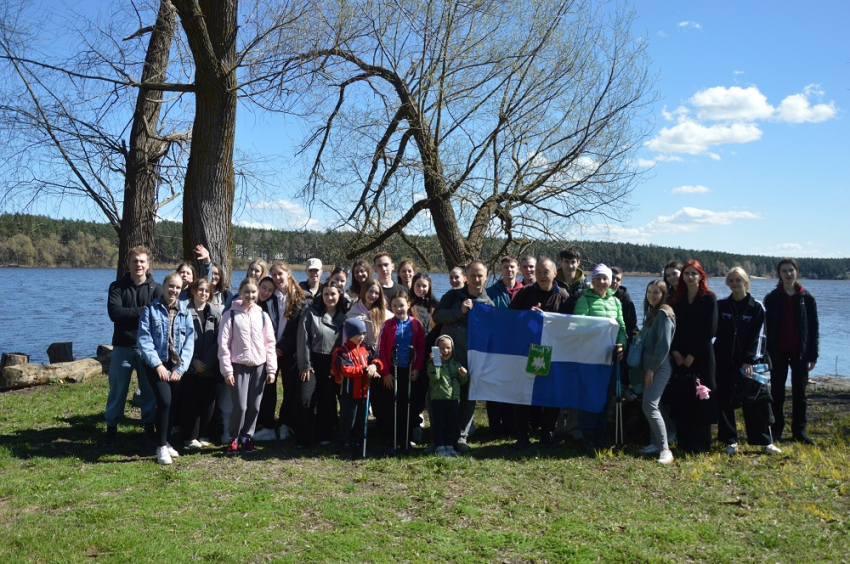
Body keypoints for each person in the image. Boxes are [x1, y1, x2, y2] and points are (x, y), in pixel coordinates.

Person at [715, 267, 780, 455]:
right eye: (731, 281)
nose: (735, 284)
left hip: (751, 362)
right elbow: (713, 332)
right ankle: (730, 440)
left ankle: (765, 441)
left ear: (746, 282)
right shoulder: (722, 306)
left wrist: (749, 360)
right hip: (724, 360)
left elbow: (760, 337)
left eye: (738, 280)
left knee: (757, 400)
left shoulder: (756, 306)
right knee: (725, 399)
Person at [509, 257, 571, 449]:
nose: (542, 276)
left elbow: (571, 325)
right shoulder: (525, 293)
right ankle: (522, 433)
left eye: (546, 272)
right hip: (528, 351)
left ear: (554, 273)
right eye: (539, 272)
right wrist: (528, 314)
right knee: (524, 393)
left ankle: (547, 433)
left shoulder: (563, 295)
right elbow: (509, 319)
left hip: (553, 353)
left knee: (552, 394)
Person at [433, 260, 494, 451]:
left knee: (469, 399)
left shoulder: (489, 303)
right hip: (449, 358)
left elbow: (494, 332)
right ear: (466, 277)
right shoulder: (452, 296)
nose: (476, 279)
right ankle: (439, 437)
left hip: (473, 360)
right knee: (443, 399)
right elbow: (437, 317)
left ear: (486, 277)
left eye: (480, 275)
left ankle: (461, 437)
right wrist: (459, 311)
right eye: (472, 275)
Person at [104, 245, 161, 449]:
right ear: (128, 263)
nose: (138, 264)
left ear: (148, 264)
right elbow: (115, 314)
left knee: (148, 389)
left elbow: (157, 317)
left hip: (148, 348)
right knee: (118, 389)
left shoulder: (157, 288)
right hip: (122, 345)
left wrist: (132, 312)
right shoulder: (117, 287)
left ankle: (148, 429)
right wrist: (144, 310)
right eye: (135, 261)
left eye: (142, 261)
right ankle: (111, 430)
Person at [137, 272, 195, 464]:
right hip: (157, 364)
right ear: (164, 286)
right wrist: (157, 365)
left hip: (176, 365)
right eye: (171, 286)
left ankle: (167, 440)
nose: (174, 290)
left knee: (173, 403)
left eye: (178, 288)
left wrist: (181, 368)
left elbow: (189, 343)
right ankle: (160, 446)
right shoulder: (150, 310)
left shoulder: (185, 311)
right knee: (165, 401)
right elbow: (144, 340)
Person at [218, 278, 277, 454]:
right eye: (247, 292)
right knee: (240, 406)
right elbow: (223, 345)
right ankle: (233, 437)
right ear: (240, 291)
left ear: (257, 293)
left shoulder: (262, 315)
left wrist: (271, 369)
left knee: (255, 406)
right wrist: (227, 370)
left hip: (259, 366)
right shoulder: (231, 314)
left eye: (253, 292)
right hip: (239, 366)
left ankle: (247, 437)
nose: (250, 295)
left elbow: (270, 344)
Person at [571, 264, 626, 454]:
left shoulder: (616, 302)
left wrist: (621, 345)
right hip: (590, 358)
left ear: (611, 282)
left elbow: (622, 328)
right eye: (598, 278)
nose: (602, 282)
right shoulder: (584, 300)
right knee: (590, 396)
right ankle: (588, 437)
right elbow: (580, 326)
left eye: (605, 279)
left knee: (606, 396)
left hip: (610, 358)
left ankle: (600, 436)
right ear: (592, 281)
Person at [764, 258, 819, 445]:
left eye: (791, 270)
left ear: (797, 272)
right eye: (784, 271)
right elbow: (767, 329)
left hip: (800, 353)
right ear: (779, 274)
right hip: (777, 352)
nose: (788, 274)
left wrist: (813, 355)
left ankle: (799, 431)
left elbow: (813, 328)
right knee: (777, 392)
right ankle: (776, 428)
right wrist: (766, 353)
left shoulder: (807, 298)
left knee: (800, 393)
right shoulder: (772, 298)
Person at [669, 260, 717, 454]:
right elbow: (672, 329)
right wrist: (676, 352)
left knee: (702, 396)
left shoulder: (709, 298)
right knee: (683, 395)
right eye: (686, 273)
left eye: (693, 273)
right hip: (680, 355)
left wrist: (692, 354)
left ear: (701, 276)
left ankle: (701, 443)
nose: (690, 277)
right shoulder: (677, 300)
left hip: (702, 355)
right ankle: (684, 441)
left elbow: (710, 329)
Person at [297, 280, 346, 447]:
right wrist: (305, 365)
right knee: (306, 398)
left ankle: (324, 434)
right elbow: (303, 340)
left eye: (333, 294)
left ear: (339, 295)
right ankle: (303, 437)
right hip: (313, 360)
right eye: (326, 294)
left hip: (334, 363)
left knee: (327, 399)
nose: (329, 297)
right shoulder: (311, 313)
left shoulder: (345, 317)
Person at [378, 291, 426, 451]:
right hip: (393, 370)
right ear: (390, 307)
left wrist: (418, 369)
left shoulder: (415, 324)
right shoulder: (388, 325)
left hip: (410, 370)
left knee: (408, 404)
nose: (399, 308)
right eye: (395, 306)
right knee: (392, 405)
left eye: (402, 305)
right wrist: (385, 373)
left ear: (408, 305)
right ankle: (391, 439)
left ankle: (406, 438)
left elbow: (421, 348)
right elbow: (382, 351)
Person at [636, 280, 676, 464]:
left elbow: (664, 346)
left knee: (649, 406)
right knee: (656, 406)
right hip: (649, 366)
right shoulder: (651, 313)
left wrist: (651, 370)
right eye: (649, 292)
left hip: (658, 367)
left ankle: (665, 450)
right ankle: (658, 441)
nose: (652, 295)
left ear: (663, 295)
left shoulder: (663, 313)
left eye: (656, 292)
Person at [266, 261, 306, 438]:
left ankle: (285, 423)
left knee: (290, 388)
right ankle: (266, 423)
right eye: (273, 275)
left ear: (288, 274)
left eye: (280, 274)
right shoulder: (268, 297)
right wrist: (271, 347)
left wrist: (282, 347)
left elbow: (298, 328)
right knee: (268, 387)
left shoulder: (298, 298)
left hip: (288, 351)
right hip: (269, 349)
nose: (277, 278)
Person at [333, 317, 383, 457]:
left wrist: (374, 366)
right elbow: (346, 370)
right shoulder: (342, 352)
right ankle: (345, 444)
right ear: (349, 334)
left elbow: (377, 359)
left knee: (362, 418)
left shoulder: (366, 349)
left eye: (363, 333)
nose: (361, 337)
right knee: (348, 419)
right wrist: (365, 370)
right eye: (358, 334)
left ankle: (359, 443)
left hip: (364, 392)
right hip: (349, 392)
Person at [485, 256, 523, 438]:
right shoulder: (491, 291)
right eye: (506, 267)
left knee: (512, 388)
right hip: (497, 347)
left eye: (512, 267)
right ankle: (494, 428)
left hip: (517, 348)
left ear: (518, 270)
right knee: (494, 388)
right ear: (500, 269)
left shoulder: (525, 291)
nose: (509, 270)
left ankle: (510, 427)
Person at [181, 278, 222, 450]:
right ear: (193, 291)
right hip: (191, 366)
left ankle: (205, 434)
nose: (203, 293)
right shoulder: (184, 312)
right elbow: (181, 340)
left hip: (210, 366)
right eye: (200, 290)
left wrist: (207, 362)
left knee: (208, 401)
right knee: (191, 402)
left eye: (207, 291)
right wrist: (194, 361)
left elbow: (219, 340)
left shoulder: (216, 313)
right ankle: (190, 437)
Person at [426, 335, 469, 457]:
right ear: (436, 349)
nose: (445, 351)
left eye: (448, 348)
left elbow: (461, 382)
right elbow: (434, 377)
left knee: (451, 423)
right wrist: (435, 363)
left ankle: (449, 445)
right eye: (441, 348)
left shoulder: (456, 364)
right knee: (439, 424)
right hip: (438, 399)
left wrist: (464, 376)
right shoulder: (431, 363)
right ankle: (439, 445)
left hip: (453, 399)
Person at [611, 267, 639, 401]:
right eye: (611, 278)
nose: (614, 281)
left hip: (621, 338)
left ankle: (623, 387)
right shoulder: (599, 294)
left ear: (621, 282)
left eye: (617, 279)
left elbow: (631, 322)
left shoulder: (625, 297)